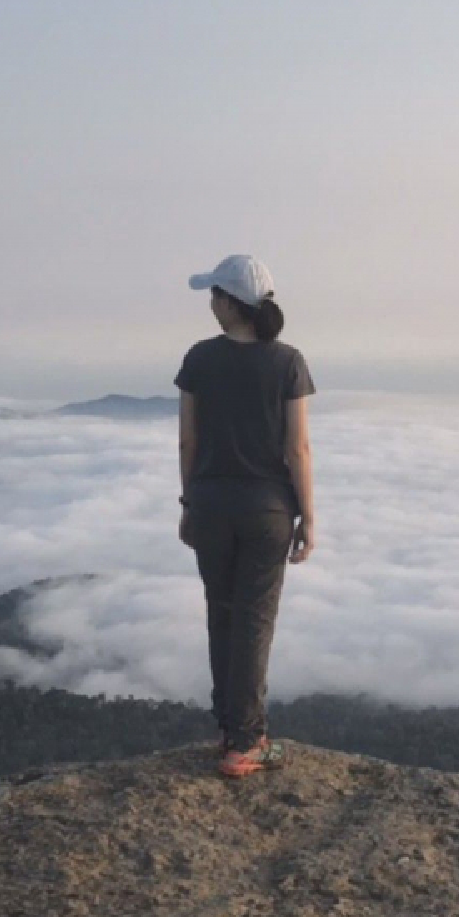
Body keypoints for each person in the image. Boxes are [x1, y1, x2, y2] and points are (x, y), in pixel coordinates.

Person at [174, 254, 317, 778]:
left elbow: (188, 439)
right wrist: (308, 518)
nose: (210, 304)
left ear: (232, 303)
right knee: (254, 620)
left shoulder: (198, 359)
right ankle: (247, 739)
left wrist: (189, 503)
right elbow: (297, 447)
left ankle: (228, 728)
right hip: (267, 510)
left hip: (211, 504)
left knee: (223, 610)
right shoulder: (287, 362)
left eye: (214, 295)